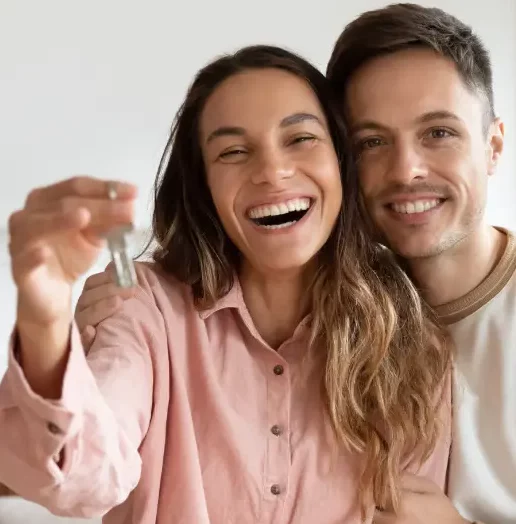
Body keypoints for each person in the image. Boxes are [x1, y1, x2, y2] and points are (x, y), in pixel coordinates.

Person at [0, 46, 451, 523]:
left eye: (300, 138)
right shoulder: (142, 305)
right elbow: (84, 482)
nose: (272, 172)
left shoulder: (409, 334)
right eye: (233, 151)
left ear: (341, 163)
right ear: (205, 186)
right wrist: (43, 315)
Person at [325, 3, 515, 524]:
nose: (405, 170)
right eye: (372, 142)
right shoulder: (324, 317)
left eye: (438, 133)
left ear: (493, 147)